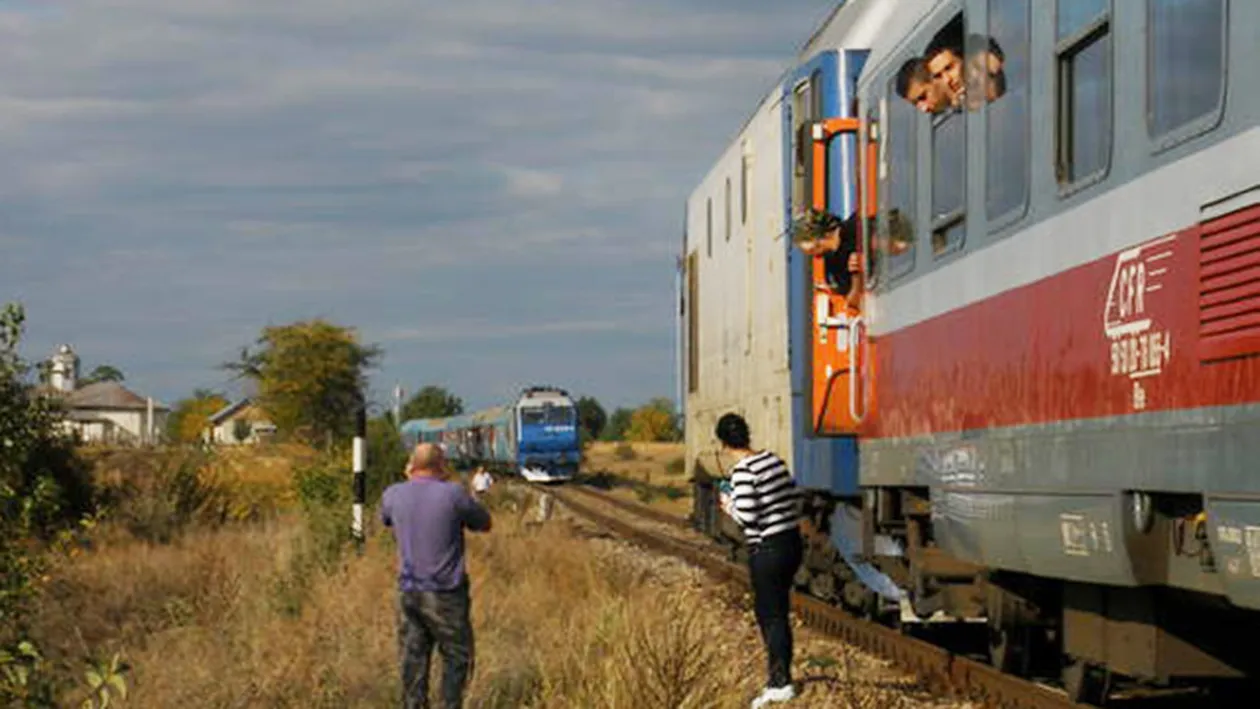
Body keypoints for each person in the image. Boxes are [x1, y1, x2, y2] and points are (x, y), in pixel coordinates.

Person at [380, 442, 493, 709]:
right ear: (442, 466)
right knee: (456, 657)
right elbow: (485, 523)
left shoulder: (393, 494)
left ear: (411, 465)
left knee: (413, 658)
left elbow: (385, 519)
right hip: (446, 593)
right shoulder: (453, 494)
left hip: (409, 591)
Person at [715, 413, 805, 708]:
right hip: (791, 542)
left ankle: (780, 683)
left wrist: (729, 506)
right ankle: (781, 676)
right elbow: (793, 495)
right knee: (779, 611)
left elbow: (749, 517)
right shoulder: (773, 460)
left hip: (767, 549)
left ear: (724, 443)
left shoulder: (742, 472)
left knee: (771, 615)